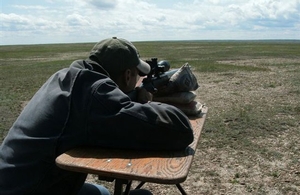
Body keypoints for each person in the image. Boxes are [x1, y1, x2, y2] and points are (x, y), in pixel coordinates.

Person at [0, 37, 194, 195]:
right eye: (137, 75)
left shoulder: (65, 77)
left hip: (13, 183)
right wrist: (148, 103)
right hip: (32, 191)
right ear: (127, 75)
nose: (138, 80)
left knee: (101, 191)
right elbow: (180, 130)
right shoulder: (96, 93)